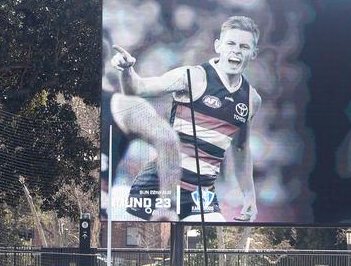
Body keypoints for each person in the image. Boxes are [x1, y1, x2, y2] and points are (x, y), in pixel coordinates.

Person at [110, 15, 262, 222]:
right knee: (134, 249)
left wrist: (250, 196)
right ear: (219, 46)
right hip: (159, 187)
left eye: (244, 46)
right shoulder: (193, 77)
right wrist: (127, 70)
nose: (236, 50)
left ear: (253, 53)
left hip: (201, 194)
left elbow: (241, 148)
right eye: (231, 43)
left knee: (215, 244)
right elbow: (138, 88)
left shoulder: (251, 99)